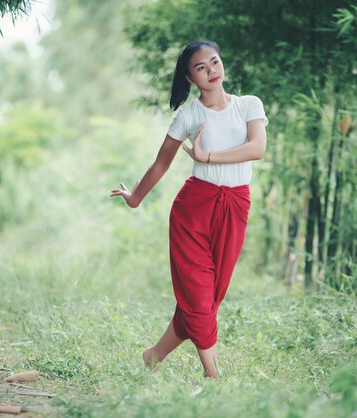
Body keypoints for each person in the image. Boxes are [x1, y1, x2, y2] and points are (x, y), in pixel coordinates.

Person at [110, 39, 268, 378]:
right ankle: (214, 376)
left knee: (209, 298)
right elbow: (160, 164)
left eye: (214, 61)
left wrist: (206, 156)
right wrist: (135, 197)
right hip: (193, 210)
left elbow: (257, 148)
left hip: (235, 205)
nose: (211, 70)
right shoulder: (189, 115)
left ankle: (152, 357)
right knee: (199, 297)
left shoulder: (249, 105)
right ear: (190, 77)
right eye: (201, 67)